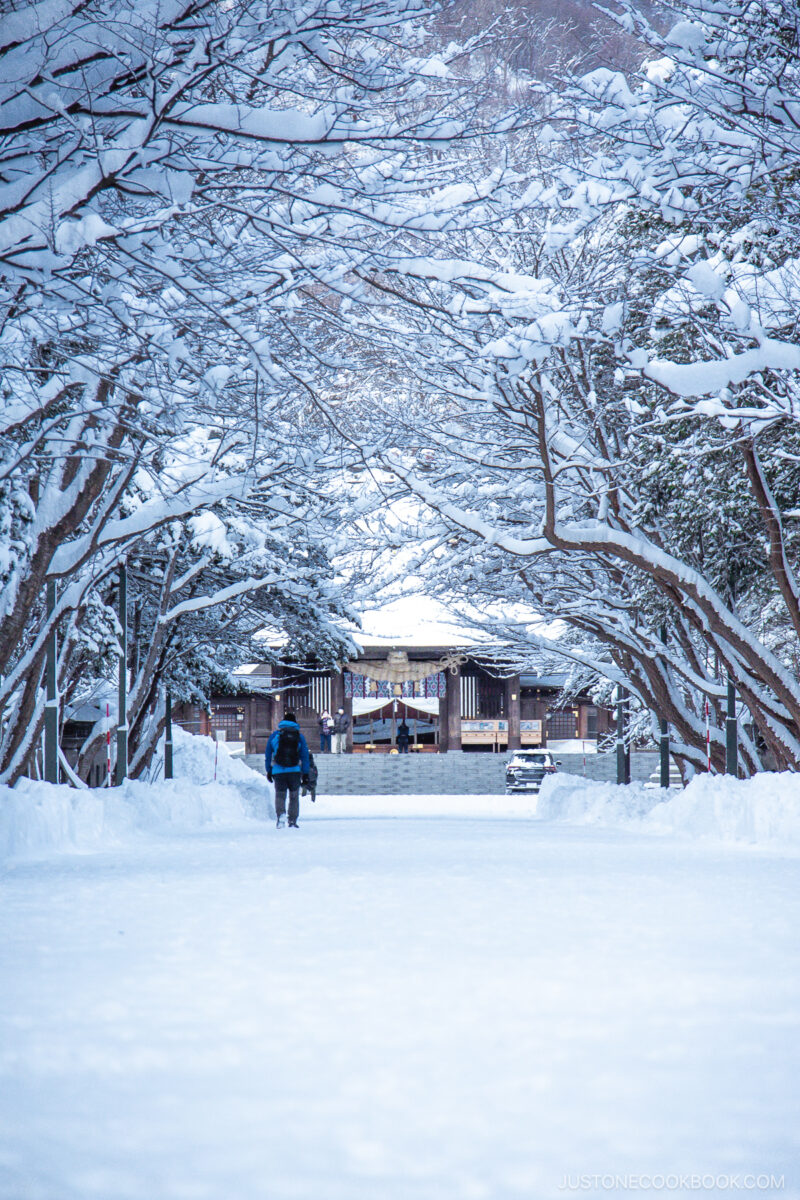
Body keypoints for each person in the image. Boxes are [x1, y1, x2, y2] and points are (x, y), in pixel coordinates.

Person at [265, 709, 310, 828]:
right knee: (294, 796)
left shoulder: (275, 735)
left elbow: (268, 754)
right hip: (294, 770)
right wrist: (305, 773)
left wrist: (269, 770)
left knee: (280, 795)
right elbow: (305, 755)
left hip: (278, 771)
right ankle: (292, 821)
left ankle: (280, 816)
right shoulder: (299, 737)